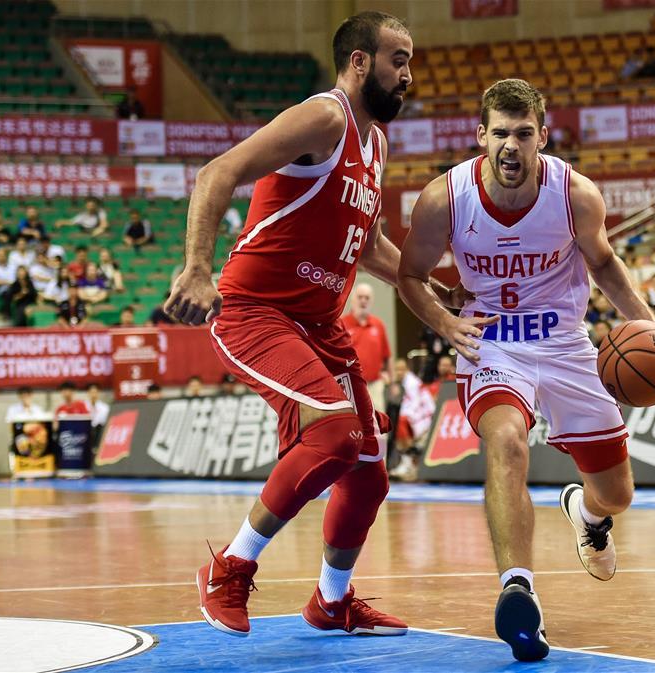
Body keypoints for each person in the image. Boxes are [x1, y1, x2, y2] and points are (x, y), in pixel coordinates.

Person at [163, 11, 457, 640]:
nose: (408, 74)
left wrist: (435, 282)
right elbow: (216, 173)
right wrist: (197, 269)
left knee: (368, 472)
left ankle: (331, 600)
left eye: (410, 61)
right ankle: (229, 567)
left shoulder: (376, 144)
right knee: (335, 436)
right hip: (256, 311)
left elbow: (368, 244)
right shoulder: (325, 117)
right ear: (359, 62)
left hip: (319, 326)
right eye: (398, 60)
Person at [397, 78, 655, 661]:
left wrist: (652, 326)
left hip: (564, 342)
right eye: (500, 133)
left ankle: (587, 514)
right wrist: (445, 323)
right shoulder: (444, 198)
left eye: (523, 133)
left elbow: (603, 263)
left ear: (543, 137)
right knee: (506, 440)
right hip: (491, 341)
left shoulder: (574, 193)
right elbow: (410, 275)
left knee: (617, 493)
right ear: (481, 136)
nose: (511, 145)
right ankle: (518, 588)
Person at [341, 282, 392, 413]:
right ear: (352, 299)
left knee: (378, 420)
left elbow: (387, 356)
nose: (363, 301)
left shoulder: (378, 325)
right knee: (353, 420)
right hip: (351, 385)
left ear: (371, 301)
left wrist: (391, 380)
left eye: (367, 298)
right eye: (360, 297)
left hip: (375, 385)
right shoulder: (341, 324)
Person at [87, 383, 110, 450]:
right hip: (88, 432)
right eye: (91, 392)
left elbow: (103, 421)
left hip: (99, 431)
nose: (93, 395)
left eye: (95, 392)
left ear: (98, 393)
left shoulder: (105, 407)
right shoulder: (84, 406)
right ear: (88, 393)